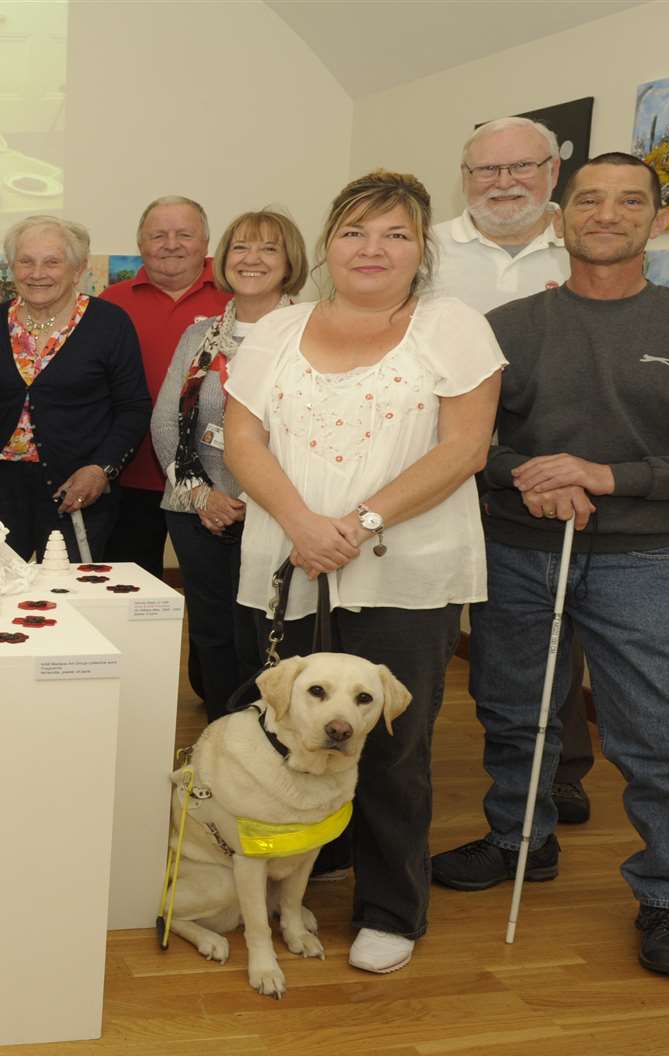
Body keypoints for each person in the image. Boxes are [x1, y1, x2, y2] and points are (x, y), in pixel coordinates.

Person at [430, 153, 669, 979]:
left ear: (659, 221)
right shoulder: (508, 327)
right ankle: (522, 839)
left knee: (658, 734)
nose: (608, 214)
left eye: (630, 201)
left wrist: (606, 477)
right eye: (589, 200)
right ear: (561, 217)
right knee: (517, 711)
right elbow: (465, 446)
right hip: (518, 551)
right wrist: (530, 473)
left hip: (637, 559)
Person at [222, 171, 504, 977]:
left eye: (395, 235)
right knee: (293, 732)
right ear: (328, 244)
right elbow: (243, 442)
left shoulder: (451, 326)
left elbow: (464, 447)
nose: (372, 249)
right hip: (289, 560)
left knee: (389, 744)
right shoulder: (278, 328)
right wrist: (305, 526)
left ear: (423, 250)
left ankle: (392, 907)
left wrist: (359, 522)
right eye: (354, 232)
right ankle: (308, 874)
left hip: (402, 570)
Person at [429, 115, 597, 826]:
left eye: (520, 168)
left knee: (550, 628)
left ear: (552, 172)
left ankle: (556, 769)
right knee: (431, 626)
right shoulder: (426, 249)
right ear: (464, 178)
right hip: (437, 466)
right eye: (485, 172)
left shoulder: (588, 249)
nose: (503, 184)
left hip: (547, 474)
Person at [150, 208, 307, 722]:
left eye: (268, 248)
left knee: (263, 628)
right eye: (241, 247)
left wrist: (252, 498)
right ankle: (225, 731)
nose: (252, 259)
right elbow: (167, 423)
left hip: (276, 510)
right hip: (196, 509)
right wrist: (203, 497)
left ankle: (267, 727)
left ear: (290, 262)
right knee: (213, 629)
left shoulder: (310, 334)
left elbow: (312, 432)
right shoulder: (200, 337)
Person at [0, 215, 148, 563]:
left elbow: (134, 406)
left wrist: (101, 469)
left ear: (78, 269)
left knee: (71, 594)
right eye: (26, 261)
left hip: (78, 486)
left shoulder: (109, 323)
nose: (37, 273)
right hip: (0, 488)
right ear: (12, 266)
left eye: (52, 261)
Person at [100, 196, 227, 578]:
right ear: (140, 244)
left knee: (213, 596)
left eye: (184, 234)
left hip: (214, 481)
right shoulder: (111, 303)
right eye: (158, 235)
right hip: (131, 474)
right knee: (129, 587)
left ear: (206, 242)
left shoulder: (235, 296)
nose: (171, 244)